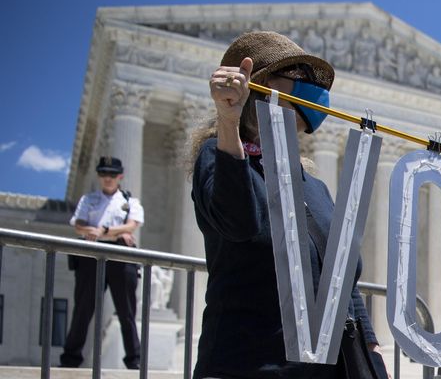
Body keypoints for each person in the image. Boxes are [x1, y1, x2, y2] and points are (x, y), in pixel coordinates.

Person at [187, 31, 383, 378]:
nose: (310, 88)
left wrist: (371, 350)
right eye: (297, 76)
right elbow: (238, 223)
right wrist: (229, 122)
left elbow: (343, 280)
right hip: (248, 364)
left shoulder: (314, 186)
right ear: (260, 87)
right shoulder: (218, 156)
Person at [61, 156, 143, 369]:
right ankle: (70, 359)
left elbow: (132, 225)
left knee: (127, 312)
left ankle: (135, 360)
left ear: (120, 176)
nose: (108, 178)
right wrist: (115, 232)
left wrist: (102, 231)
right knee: (83, 309)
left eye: (112, 174)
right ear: (98, 175)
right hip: (91, 255)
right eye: (104, 173)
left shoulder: (130, 202)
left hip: (120, 256)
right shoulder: (88, 199)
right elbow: (79, 226)